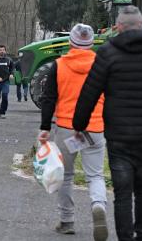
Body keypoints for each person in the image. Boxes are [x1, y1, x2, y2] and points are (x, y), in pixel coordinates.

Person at [72, 6, 142, 241]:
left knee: (123, 192)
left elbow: (90, 92)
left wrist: (79, 124)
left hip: (119, 135)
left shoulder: (108, 52)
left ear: (119, 27)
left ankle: (125, 237)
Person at [38, 23, 108, 241]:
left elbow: (48, 99)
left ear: (70, 42)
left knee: (66, 176)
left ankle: (67, 221)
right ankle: (98, 206)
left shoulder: (58, 66)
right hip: (95, 128)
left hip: (68, 129)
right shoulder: (102, 65)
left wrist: (45, 128)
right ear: (91, 43)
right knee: (95, 175)